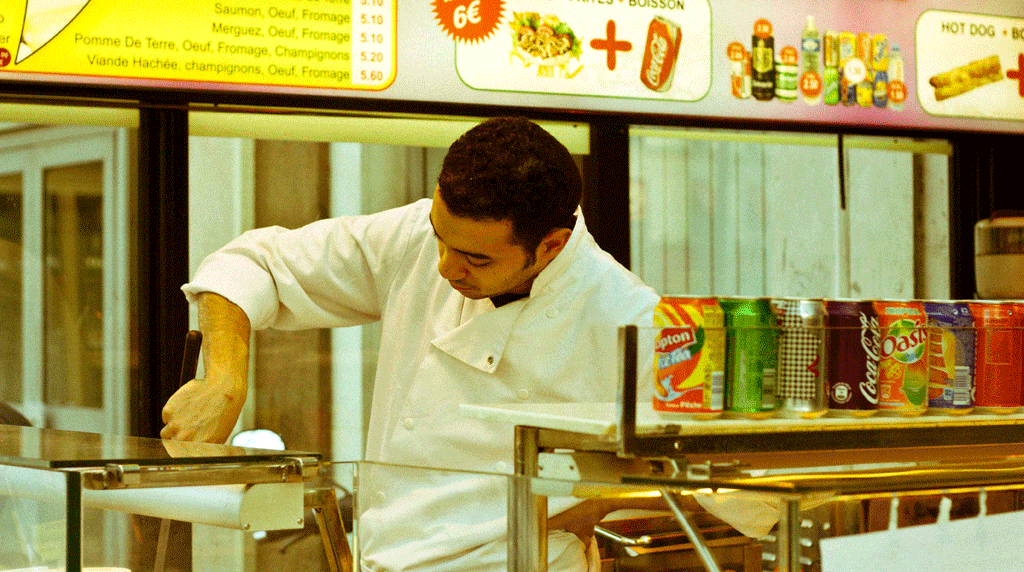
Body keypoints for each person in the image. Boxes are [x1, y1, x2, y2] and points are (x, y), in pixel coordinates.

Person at [160, 117, 772, 572]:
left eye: (476, 259)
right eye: (441, 239)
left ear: (551, 246)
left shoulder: (633, 319)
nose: (445, 267)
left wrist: (602, 501)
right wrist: (224, 379)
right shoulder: (417, 238)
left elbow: (750, 492)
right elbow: (251, 263)